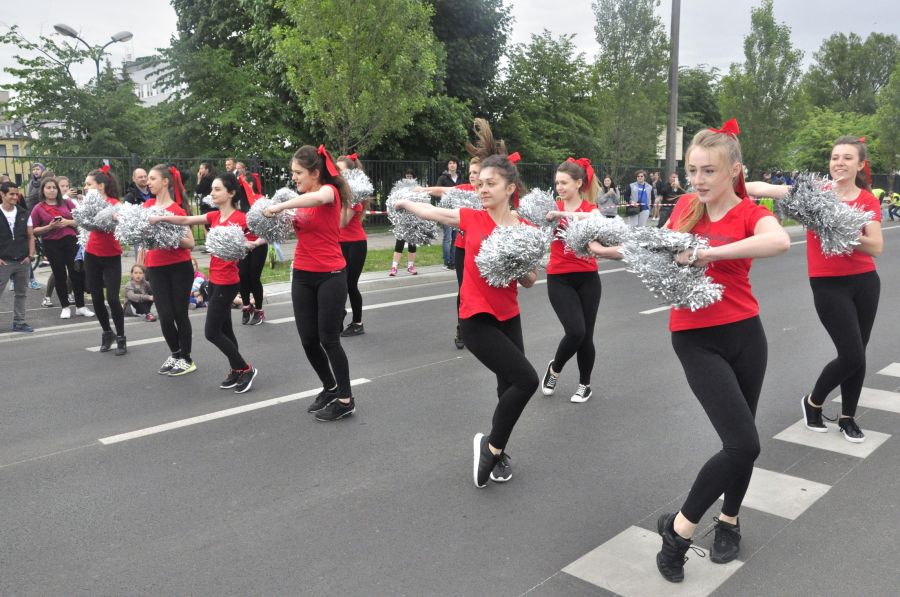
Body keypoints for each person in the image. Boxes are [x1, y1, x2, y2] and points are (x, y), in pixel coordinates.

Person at [589, 120, 790, 581]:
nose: (698, 180)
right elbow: (654, 249)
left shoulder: (748, 212)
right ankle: (678, 532)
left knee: (741, 445)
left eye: (708, 171)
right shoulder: (683, 206)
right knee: (744, 442)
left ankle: (730, 521)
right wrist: (608, 250)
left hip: (745, 333)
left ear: (733, 171)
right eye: (692, 170)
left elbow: (778, 241)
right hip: (695, 338)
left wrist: (707, 254)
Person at [395, 119, 539, 488]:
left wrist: (518, 266)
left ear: (510, 188)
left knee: (507, 386)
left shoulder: (524, 229)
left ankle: (498, 450)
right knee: (526, 380)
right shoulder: (470, 218)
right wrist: (406, 202)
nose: (482, 189)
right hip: (476, 319)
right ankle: (491, 447)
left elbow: (530, 281)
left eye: (491, 184)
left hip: (509, 315)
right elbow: (434, 213)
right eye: (479, 183)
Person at [747, 136, 883, 444]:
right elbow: (763, 188)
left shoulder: (866, 200)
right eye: (835, 157)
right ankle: (813, 402)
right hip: (828, 284)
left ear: (860, 165)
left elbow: (875, 246)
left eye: (847, 158)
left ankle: (848, 417)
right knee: (850, 355)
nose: (839, 163)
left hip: (864, 282)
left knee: (858, 355)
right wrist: (730, 179)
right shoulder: (813, 194)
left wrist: (840, 227)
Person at [263, 145, 357, 422]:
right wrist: (255, 239)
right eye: (293, 173)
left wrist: (281, 205)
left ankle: (346, 399)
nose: (294, 178)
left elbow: (317, 200)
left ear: (315, 172)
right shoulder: (302, 197)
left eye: (298, 173)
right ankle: (330, 387)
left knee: (329, 339)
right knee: (307, 340)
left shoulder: (330, 192)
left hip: (331, 275)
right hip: (302, 274)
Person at [150, 172, 262, 394]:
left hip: (229, 281)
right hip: (215, 280)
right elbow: (185, 220)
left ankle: (245, 368)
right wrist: (161, 218)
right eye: (212, 189)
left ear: (230, 193)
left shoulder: (242, 218)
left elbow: (265, 235)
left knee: (211, 332)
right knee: (226, 329)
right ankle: (235, 369)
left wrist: (252, 244)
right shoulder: (214, 217)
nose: (212, 193)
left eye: (217, 189)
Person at [540, 158, 601, 403]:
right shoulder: (550, 208)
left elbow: (596, 220)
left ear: (578, 183)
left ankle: (584, 385)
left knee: (587, 336)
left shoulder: (589, 208)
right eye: (557, 183)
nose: (560, 187)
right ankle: (555, 368)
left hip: (588, 278)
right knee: (575, 331)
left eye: (564, 182)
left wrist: (562, 214)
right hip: (559, 278)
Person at [418, 156, 482, 349]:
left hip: (484, 248)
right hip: (463, 248)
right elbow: (445, 190)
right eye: (470, 172)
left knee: (483, 289)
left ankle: (484, 327)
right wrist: (424, 190)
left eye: (476, 172)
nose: (472, 176)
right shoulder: (465, 190)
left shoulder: (491, 193)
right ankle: (462, 327)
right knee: (464, 290)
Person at [143, 164, 197, 377]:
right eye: (148, 178)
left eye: (153, 178)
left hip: (178, 268)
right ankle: (175, 354)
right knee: (164, 315)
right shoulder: (146, 206)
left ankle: (187, 358)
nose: (149, 182)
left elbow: (190, 243)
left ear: (165, 181)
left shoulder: (177, 210)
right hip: (155, 267)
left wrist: (167, 234)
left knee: (179, 314)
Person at [30, 177, 92, 320]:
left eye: (54, 188)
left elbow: (80, 220)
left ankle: (80, 306)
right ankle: (64, 307)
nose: (52, 190)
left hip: (70, 241)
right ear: (43, 190)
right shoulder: (38, 208)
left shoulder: (67, 202)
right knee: (60, 275)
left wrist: (67, 222)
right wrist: (50, 227)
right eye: (48, 188)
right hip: (51, 243)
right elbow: (33, 230)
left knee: (76, 273)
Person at [83, 167, 127, 355]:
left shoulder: (114, 204)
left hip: (111, 256)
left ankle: (121, 337)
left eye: (88, 184)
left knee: (112, 298)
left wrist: (117, 218)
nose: (85, 187)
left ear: (100, 186)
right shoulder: (87, 204)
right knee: (97, 298)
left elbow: (122, 223)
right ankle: (107, 333)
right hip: (91, 254)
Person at [336, 153, 368, 337]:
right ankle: (339, 313)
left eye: (341, 170)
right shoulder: (338, 191)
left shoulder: (355, 193)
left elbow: (342, 222)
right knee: (338, 283)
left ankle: (357, 323)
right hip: (338, 243)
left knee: (350, 284)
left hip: (355, 243)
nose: (338, 174)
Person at [0, 182, 36, 332]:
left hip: (22, 260)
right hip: (4, 262)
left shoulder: (24, 213)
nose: (15, 197)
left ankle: (19, 322)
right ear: (2, 194)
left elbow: (31, 236)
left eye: (17, 194)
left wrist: (31, 256)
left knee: (21, 293)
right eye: (11, 194)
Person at [236, 174, 267, 326]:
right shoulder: (239, 204)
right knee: (242, 275)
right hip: (244, 244)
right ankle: (247, 306)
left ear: (251, 184)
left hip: (259, 244)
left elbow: (269, 228)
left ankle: (259, 309)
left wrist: (256, 243)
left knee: (254, 276)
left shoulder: (261, 200)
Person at [390, 168, 419, 276]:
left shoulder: (417, 188)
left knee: (412, 243)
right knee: (399, 243)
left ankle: (410, 266)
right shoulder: (399, 189)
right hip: (402, 220)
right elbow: (394, 202)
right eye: (407, 176)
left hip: (413, 220)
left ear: (414, 178)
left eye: (410, 176)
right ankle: (394, 267)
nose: (408, 178)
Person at [435, 156, 462, 269]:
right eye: (450, 163)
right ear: (447, 165)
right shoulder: (443, 178)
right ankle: (447, 262)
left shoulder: (460, 178)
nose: (452, 165)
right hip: (446, 211)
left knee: (456, 237)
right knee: (448, 237)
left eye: (454, 163)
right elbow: (437, 191)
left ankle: (454, 261)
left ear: (457, 165)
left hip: (458, 211)